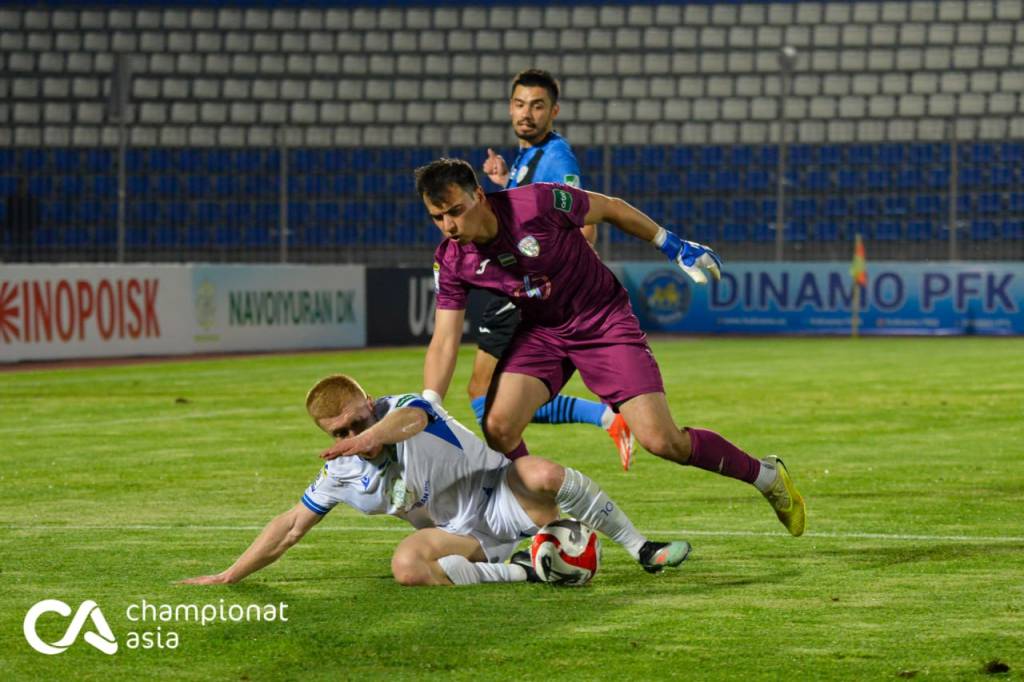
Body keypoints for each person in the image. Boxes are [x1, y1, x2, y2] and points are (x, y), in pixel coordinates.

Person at [417, 159, 806, 536]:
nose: (449, 226)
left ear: (479, 195)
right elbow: (445, 337)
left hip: (603, 320)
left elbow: (611, 209)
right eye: (438, 217)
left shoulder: (536, 202)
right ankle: (549, 527)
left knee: (662, 441)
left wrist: (671, 244)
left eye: (456, 211)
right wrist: (430, 402)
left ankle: (765, 476)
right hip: (543, 331)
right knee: (499, 427)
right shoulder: (451, 260)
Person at [181, 374, 691, 587]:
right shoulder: (340, 470)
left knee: (541, 471)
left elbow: (412, 421)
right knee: (406, 564)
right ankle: (523, 572)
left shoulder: (404, 407)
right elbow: (291, 526)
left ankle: (641, 547)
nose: (354, 435)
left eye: (359, 421)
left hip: (502, 495)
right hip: (460, 536)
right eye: (341, 432)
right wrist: (230, 574)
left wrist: (368, 437)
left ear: (370, 403)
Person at [469, 68, 635, 471]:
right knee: (486, 397)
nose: (527, 114)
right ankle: (529, 478)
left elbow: (584, 221)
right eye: (520, 104)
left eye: (537, 106)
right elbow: (533, 213)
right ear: (510, 107)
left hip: (531, 287)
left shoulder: (557, 158)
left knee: (485, 397)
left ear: (553, 111)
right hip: (521, 283)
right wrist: (505, 182)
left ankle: (528, 480)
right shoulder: (530, 155)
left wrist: (556, 273)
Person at [4, 178, 39, 262]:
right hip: (15, 228)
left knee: (29, 250)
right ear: (18, 186)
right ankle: (15, 262)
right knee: (16, 249)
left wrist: (33, 227)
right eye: (21, 185)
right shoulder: (11, 199)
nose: (22, 187)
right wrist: (10, 227)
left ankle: (31, 262)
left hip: (28, 229)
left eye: (24, 185)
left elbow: (35, 215)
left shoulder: (32, 199)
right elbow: (9, 214)